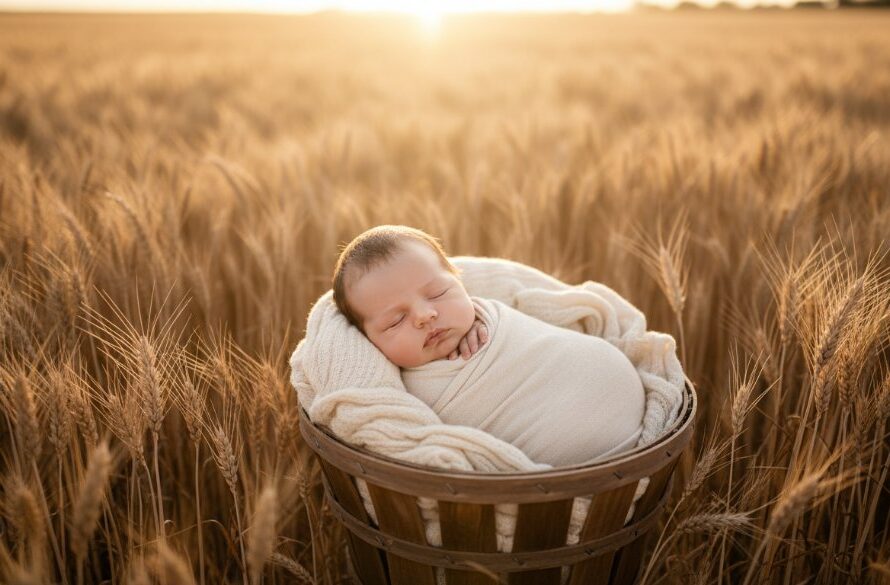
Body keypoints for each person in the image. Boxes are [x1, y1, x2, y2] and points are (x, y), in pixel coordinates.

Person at [331, 224, 646, 467]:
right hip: (569, 452)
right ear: (367, 341)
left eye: (439, 293)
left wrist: (482, 322)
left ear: (461, 283)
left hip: (606, 378)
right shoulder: (396, 396)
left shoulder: (488, 314)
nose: (425, 316)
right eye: (395, 321)